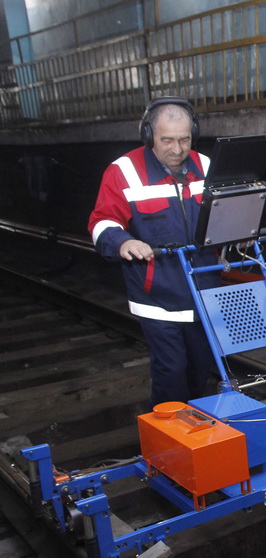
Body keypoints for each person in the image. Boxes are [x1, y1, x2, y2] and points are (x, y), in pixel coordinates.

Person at [88, 97, 221, 408]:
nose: (177, 150)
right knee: (172, 372)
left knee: (201, 369)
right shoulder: (123, 171)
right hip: (157, 295)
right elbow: (102, 220)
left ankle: (197, 435)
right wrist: (122, 242)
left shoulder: (206, 166)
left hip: (203, 291)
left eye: (184, 139)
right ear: (148, 136)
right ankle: (168, 445)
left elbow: (222, 214)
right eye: (167, 140)